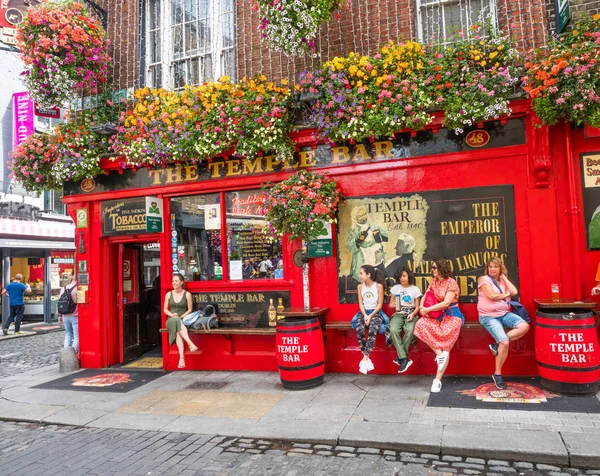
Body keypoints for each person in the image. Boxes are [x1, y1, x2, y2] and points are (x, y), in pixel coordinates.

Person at [478, 256, 529, 390]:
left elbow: (514, 292)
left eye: (495, 266)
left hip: (504, 314)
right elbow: (491, 296)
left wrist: (504, 278)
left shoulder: (501, 280)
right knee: (505, 343)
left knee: (524, 326)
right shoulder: (484, 280)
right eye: (490, 267)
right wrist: (505, 294)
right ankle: (498, 374)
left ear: (500, 268)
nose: (492, 269)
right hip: (488, 316)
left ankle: (496, 343)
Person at [414, 258, 465, 393]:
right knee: (420, 324)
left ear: (441, 269)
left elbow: (446, 303)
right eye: (432, 267)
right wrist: (421, 307)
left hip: (452, 315)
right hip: (437, 315)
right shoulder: (434, 281)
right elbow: (426, 294)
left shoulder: (451, 283)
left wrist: (427, 310)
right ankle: (439, 354)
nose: (432, 270)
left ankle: (437, 380)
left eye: (434, 267)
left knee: (445, 344)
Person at [389, 268, 422, 373]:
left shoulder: (415, 289)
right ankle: (404, 358)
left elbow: (417, 307)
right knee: (393, 329)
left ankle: (401, 358)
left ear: (409, 276)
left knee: (409, 330)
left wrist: (412, 314)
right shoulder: (395, 288)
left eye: (404, 276)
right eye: (400, 276)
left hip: (411, 313)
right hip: (398, 313)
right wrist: (393, 304)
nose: (402, 278)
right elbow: (390, 304)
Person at [163, 273, 198, 368]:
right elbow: (165, 309)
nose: (173, 283)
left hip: (182, 319)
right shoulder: (168, 294)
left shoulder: (187, 294)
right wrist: (172, 314)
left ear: (181, 282)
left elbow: (190, 310)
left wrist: (181, 316)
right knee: (175, 321)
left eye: (176, 281)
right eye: (173, 281)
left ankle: (181, 358)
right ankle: (190, 343)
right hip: (170, 319)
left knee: (178, 330)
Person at [356, 264, 386, 374]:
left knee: (373, 329)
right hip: (364, 312)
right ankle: (367, 359)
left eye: (361, 273)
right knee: (359, 328)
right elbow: (360, 304)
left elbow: (380, 304)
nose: (359, 276)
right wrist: (365, 315)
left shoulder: (378, 286)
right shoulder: (360, 287)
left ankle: (364, 359)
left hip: (376, 312)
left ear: (368, 274)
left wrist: (371, 316)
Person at [347, 206, 388, 282]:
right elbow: (350, 246)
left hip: (377, 260)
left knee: (380, 281)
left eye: (364, 214)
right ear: (356, 218)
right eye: (360, 216)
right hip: (363, 259)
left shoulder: (372, 225)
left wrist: (379, 236)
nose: (363, 217)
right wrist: (358, 240)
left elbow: (386, 236)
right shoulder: (354, 230)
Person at [58, 278, 79, 354]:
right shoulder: (78, 288)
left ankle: (65, 354)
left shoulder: (63, 288)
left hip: (65, 315)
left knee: (68, 334)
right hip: (75, 315)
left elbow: (59, 302)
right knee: (77, 336)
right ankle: (73, 353)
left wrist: (59, 315)